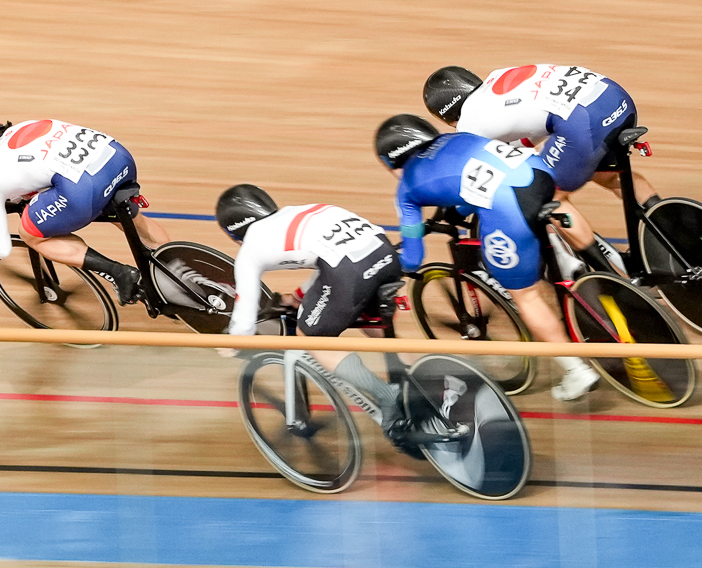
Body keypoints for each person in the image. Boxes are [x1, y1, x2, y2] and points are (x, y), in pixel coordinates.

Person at [376, 114, 599, 402]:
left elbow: (414, 257)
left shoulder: (406, 187)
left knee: (525, 295)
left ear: (392, 162)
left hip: (508, 203)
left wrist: (397, 266)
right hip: (537, 171)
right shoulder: (455, 138)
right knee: (534, 221)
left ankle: (577, 370)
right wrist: (456, 211)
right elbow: (478, 178)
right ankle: (577, 265)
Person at [214, 184, 413, 433]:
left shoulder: (250, 248)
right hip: (383, 252)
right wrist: (298, 297)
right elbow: (327, 260)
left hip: (350, 271)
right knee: (374, 326)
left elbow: (245, 314)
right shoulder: (296, 212)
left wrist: (234, 341)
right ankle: (423, 385)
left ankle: (386, 395)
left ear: (232, 230)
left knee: (310, 338)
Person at [425, 65, 656, 274]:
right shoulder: (496, 79)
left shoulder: (469, 126)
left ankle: (613, 277)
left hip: (583, 122)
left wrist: (456, 212)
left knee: (549, 196)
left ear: (445, 116)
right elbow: (529, 137)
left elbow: (485, 179)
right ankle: (675, 232)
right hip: (613, 97)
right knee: (607, 175)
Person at [0, 118, 168, 307]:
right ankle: (179, 271)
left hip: (84, 187)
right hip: (118, 157)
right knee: (127, 216)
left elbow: (0, 247)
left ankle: (120, 273)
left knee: (30, 233)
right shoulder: (24, 126)